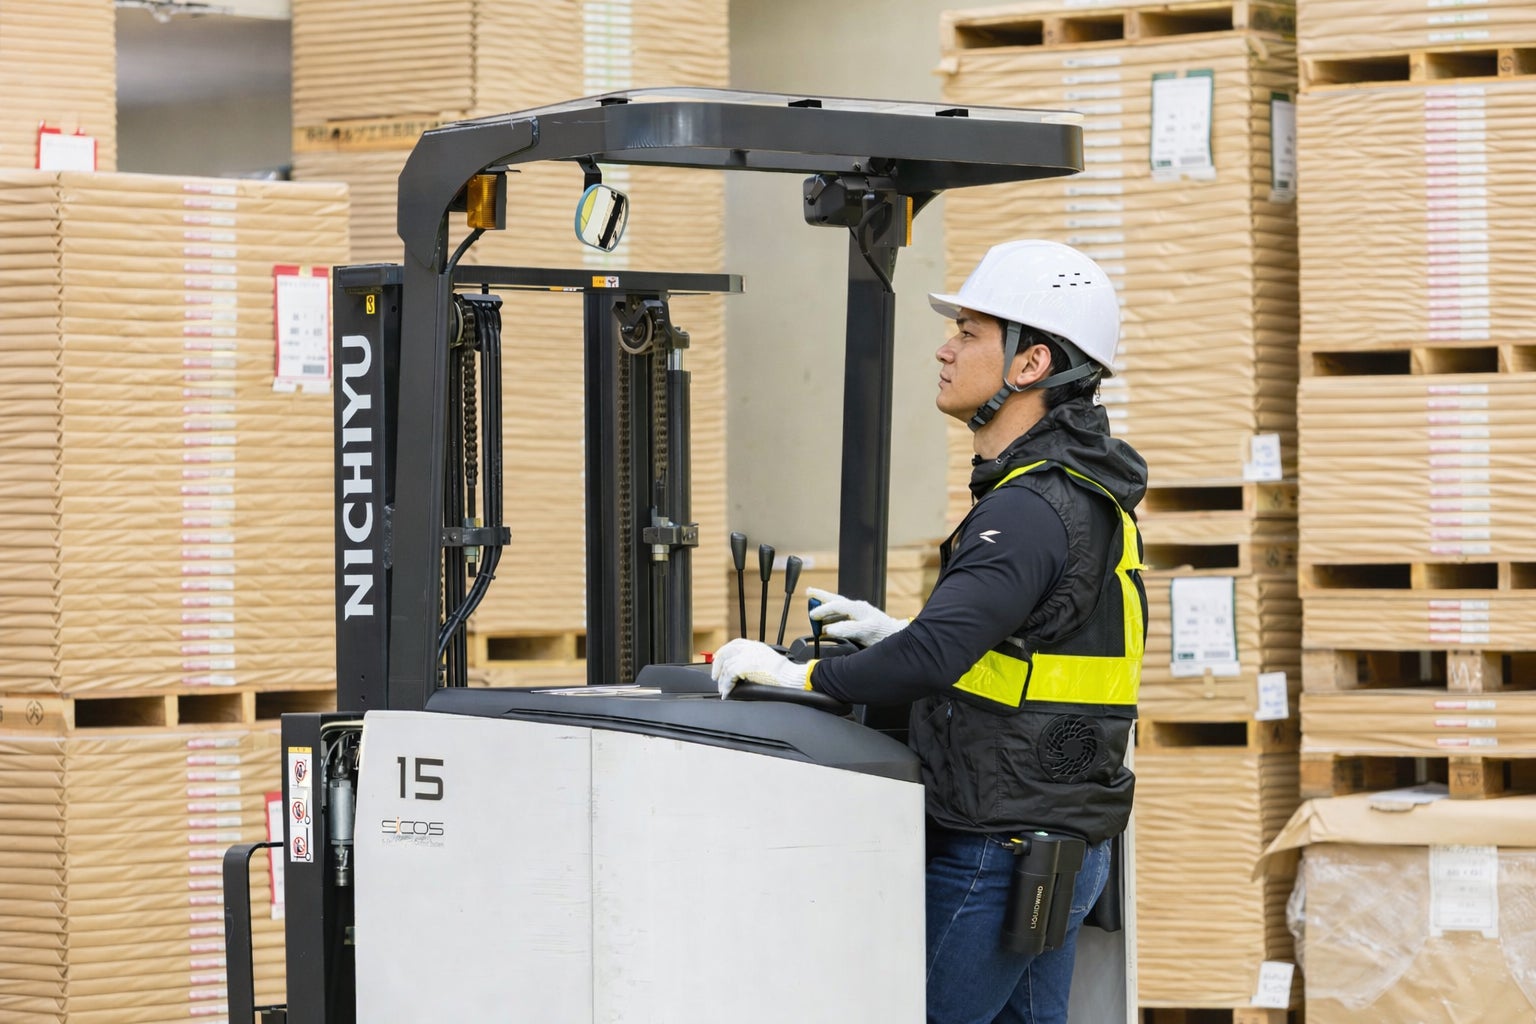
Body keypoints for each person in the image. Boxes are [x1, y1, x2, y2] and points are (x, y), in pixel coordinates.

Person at [711, 239, 1148, 1024]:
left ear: (1030, 364)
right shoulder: (1077, 495)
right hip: (1054, 842)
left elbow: (935, 658)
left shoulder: (1028, 509)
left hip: (998, 853)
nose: (945, 350)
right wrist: (899, 631)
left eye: (970, 333)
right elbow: (1028, 648)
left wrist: (794, 674)